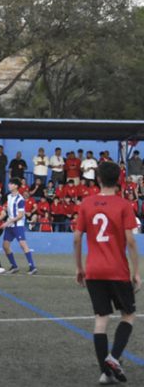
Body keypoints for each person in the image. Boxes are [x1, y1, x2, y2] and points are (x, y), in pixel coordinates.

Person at [74, 161, 140, 385]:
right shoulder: (123, 205)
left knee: (101, 319)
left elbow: (76, 237)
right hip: (117, 270)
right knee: (128, 315)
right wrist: (137, 272)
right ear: (119, 181)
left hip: (93, 269)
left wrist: (79, 267)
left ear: (98, 179)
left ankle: (105, 373)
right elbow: (130, 241)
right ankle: (113, 358)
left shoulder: (86, 203)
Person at [0, 178, 37, 275]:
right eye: (9, 183)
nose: (9, 185)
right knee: (5, 246)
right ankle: (14, 266)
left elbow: (21, 215)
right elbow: (7, 209)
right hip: (10, 225)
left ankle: (32, 267)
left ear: (16, 186)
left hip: (18, 225)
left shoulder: (20, 199)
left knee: (23, 244)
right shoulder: (9, 197)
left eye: (11, 184)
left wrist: (8, 222)